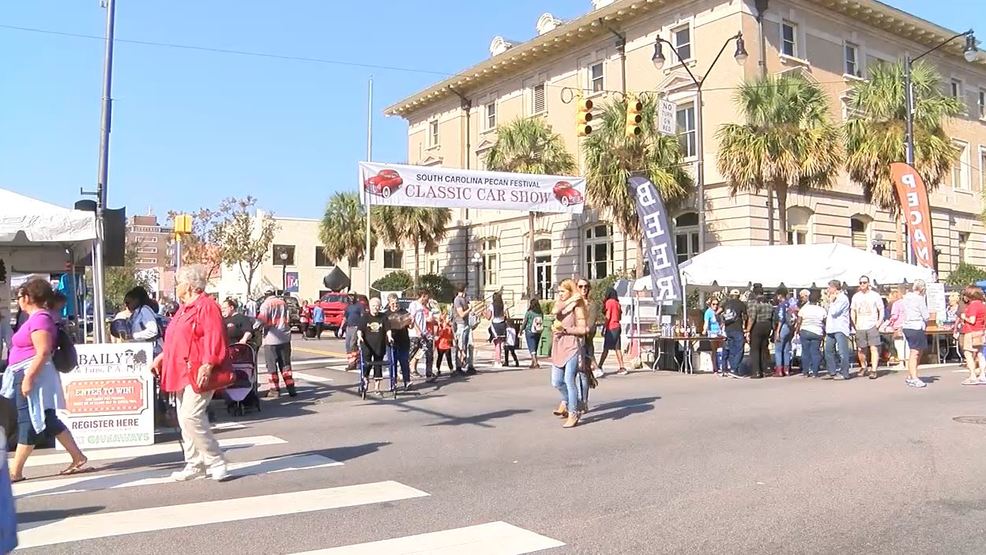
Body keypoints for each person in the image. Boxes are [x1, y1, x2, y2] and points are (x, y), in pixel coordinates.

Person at [3, 279, 89, 481]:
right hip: (28, 372)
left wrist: (29, 378)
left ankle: (15, 471)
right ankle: (78, 456)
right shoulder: (36, 318)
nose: (19, 301)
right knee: (46, 417)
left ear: (27, 298)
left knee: (29, 420)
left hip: (33, 373)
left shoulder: (40, 319)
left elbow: (42, 351)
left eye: (20, 297)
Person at [152, 265, 229, 481]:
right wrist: (162, 358)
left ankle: (215, 459)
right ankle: (194, 463)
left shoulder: (206, 306)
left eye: (179, 282)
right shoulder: (184, 309)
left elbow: (215, 336)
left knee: (191, 415)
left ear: (189, 285)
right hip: (180, 369)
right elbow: (177, 339)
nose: (177, 286)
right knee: (184, 418)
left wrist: (209, 363)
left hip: (197, 369)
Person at [550, 279, 588, 429]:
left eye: (563, 291)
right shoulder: (561, 303)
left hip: (571, 346)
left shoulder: (578, 308)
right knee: (556, 381)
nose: (560, 294)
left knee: (569, 379)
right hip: (558, 345)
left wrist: (566, 330)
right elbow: (554, 311)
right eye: (558, 291)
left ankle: (573, 412)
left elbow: (583, 329)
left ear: (570, 291)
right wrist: (570, 300)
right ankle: (574, 402)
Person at [257, 290, 296, 397]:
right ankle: (291, 388)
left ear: (265, 295)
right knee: (285, 364)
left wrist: (254, 328)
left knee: (271, 366)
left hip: (271, 338)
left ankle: (274, 390)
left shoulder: (266, 304)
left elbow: (261, 320)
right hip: (284, 337)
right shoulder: (283, 303)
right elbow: (288, 318)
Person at [850, 275, 884, 379]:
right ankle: (863, 366)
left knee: (874, 348)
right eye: (860, 283)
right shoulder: (856, 296)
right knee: (861, 349)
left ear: (868, 283)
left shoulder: (875, 295)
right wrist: (854, 324)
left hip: (872, 325)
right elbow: (853, 310)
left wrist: (879, 322)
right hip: (860, 326)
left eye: (864, 282)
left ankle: (873, 370)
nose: (862, 285)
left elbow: (881, 309)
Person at [899, 280, 930, 388]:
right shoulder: (919, 299)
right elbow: (926, 315)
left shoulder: (906, 297)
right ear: (922, 289)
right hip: (916, 326)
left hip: (907, 327)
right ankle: (914, 378)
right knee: (915, 352)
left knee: (917, 352)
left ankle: (911, 374)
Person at [357, 298, 388, 395]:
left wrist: (390, 337)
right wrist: (359, 337)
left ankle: (377, 388)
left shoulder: (383, 317)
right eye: (373, 306)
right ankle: (365, 380)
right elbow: (360, 330)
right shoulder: (365, 317)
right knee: (367, 364)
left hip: (379, 344)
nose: (375, 308)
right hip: (367, 345)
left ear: (380, 307)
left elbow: (388, 329)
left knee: (378, 365)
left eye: (377, 306)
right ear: (370, 307)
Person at [824, 280, 852, 380]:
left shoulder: (843, 298)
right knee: (828, 351)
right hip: (831, 328)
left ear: (835, 288)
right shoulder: (833, 298)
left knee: (842, 352)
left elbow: (834, 312)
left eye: (829, 287)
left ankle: (844, 372)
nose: (828, 290)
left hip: (840, 328)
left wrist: (831, 302)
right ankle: (832, 371)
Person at [958, 285, 986, 385]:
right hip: (981, 331)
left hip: (971, 332)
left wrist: (964, 317)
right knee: (980, 353)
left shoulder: (973, 305)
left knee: (968, 353)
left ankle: (973, 376)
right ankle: (983, 375)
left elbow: (972, 320)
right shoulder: (983, 305)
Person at [795, 290, 826, 378]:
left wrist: (797, 331)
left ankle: (805, 371)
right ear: (818, 300)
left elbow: (799, 321)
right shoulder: (821, 310)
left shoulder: (804, 308)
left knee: (805, 352)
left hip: (805, 330)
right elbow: (825, 321)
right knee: (815, 352)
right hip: (817, 331)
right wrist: (824, 332)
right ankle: (815, 372)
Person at [125, 286, 163, 356]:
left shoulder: (145, 311)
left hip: (152, 350)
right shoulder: (137, 313)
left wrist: (134, 336)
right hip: (144, 350)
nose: (127, 306)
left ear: (136, 300)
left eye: (128, 302)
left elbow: (153, 331)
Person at [386, 294, 413, 391]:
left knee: (404, 362)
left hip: (403, 341)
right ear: (389, 303)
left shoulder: (404, 312)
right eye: (392, 303)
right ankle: (393, 383)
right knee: (392, 363)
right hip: (391, 342)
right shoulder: (386, 314)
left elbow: (410, 326)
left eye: (396, 303)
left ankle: (407, 381)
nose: (395, 305)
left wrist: (411, 321)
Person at [597, 288, 627, 376]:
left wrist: (604, 328)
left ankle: (599, 365)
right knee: (617, 348)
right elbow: (620, 317)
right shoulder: (617, 303)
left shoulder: (609, 302)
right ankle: (622, 367)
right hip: (617, 326)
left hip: (611, 327)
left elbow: (608, 316)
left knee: (606, 348)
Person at [408, 289, 436, 382]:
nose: (428, 299)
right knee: (412, 353)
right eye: (427, 296)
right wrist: (417, 330)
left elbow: (426, 319)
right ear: (423, 296)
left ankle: (429, 373)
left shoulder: (424, 306)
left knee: (429, 353)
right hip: (415, 334)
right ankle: (402, 371)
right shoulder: (414, 305)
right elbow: (412, 319)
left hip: (425, 333)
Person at [746, 288, 774, 379]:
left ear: (754, 293)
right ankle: (766, 369)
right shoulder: (769, 304)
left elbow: (752, 318)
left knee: (755, 349)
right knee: (764, 348)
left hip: (758, 325)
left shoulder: (755, 303)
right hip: (767, 325)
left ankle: (756, 371)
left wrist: (748, 330)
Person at [771, 287, 795, 377]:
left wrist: (777, 332)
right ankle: (787, 369)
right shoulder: (789, 304)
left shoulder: (781, 305)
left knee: (778, 349)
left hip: (783, 327)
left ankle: (779, 370)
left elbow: (781, 318)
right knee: (786, 349)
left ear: (780, 295)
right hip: (789, 327)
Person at [452, 285, 476, 375]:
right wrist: (469, 309)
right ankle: (458, 366)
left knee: (470, 344)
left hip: (467, 324)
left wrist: (471, 311)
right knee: (460, 345)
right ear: (464, 289)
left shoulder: (465, 298)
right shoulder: (457, 300)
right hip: (460, 324)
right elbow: (461, 314)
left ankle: (470, 365)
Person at [486, 292, 509, 367]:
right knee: (500, 344)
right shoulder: (504, 305)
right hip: (502, 324)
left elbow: (488, 317)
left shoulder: (492, 306)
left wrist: (485, 314)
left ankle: (498, 361)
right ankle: (499, 359)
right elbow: (507, 315)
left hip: (495, 325)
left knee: (497, 344)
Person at [703, 296, 723, 374]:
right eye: (713, 304)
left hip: (720, 332)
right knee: (714, 350)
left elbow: (722, 322)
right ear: (710, 304)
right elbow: (706, 322)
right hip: (712, 333)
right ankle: (715, 367)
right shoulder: (708, 312)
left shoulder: (719, 312)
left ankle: (721, 366)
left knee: (721, 350)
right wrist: (704, 330)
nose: (715, 306)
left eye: (717, 304)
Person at [522, 298, 544, 369]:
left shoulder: (529, 312)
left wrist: (521, 329)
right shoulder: (540, 312)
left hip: (529, 331)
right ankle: (532, 363)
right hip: (538, 331)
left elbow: (525, 322)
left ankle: (535, 362)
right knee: (535, 347)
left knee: (531, 347)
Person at [344, 296, 365, 370]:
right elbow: (345, 317)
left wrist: (361, 327)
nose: (351, 297)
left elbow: (363, 316)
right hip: (349, 327)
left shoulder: (359, 306)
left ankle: (355, 363)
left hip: (356, 327)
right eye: (350, 295)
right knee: (347, 345)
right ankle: (351, 362)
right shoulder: (348, 307)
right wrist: (341, 328)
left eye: (352, 295)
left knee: (353, 344)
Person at [434, 310, 454, 375]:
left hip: (447, 343)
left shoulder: (449, 325)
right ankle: (438, 369)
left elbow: (451, 333)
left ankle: (451, 369)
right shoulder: (439, 325)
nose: (445, 317)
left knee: (448, 357)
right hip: (440, 343)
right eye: (444, 315)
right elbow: (437, 333)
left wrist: (452, 340)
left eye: (446, 315)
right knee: (440, 356)